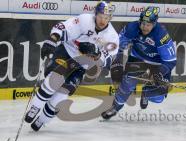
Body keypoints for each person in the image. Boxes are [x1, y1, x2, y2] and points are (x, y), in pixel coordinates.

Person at [24, 1, 119, 131]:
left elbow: (108, 60)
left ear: (110, 18)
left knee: (62, 95)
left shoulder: (112, 36)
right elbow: (63, 27)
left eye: (107, 18)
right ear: (95, 14)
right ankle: (35, 107)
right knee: (54, 80)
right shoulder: (85, 20)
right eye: (101, 16)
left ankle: (42, 120)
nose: (103, 20)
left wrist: (97, 54)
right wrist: (52, 39)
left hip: (82, 66)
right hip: (66, 53)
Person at [101, 6, 177, 120]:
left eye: (148, 25)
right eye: (142, 23)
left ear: (154, 23)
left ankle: (146, 93)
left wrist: (159, 72)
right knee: (127, 83)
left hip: (158, 63)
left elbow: (170, 62)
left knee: (158, 97)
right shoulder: (132, 28)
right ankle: (115, 108)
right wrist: (117, 63)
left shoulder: (161, 35)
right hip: (138, 58)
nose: (144, 27)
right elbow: (117, 46)